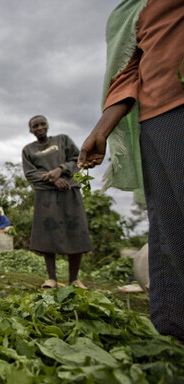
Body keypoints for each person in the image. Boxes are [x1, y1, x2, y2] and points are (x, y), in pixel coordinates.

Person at [78, 0, 184, 342]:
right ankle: (173, 331)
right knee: (168, 227)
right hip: (158, 118)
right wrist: (101, 131)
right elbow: (129, 69)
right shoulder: (135, 9)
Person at [22, 115, 93, 290]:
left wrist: (61, 170)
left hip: (69, 190)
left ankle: (74, 279)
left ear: (47, 126)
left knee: (75, 230)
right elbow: (30, 174)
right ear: (31, 130)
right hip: (46, 195)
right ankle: (51, 279)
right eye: (35, 126)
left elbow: (77, 159)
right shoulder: (28, 150)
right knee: (48, 234)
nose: (39, 128)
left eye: (42, 124)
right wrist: (53, 180)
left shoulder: (63, 140)